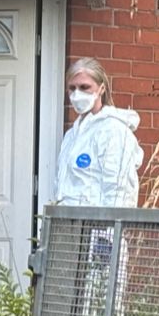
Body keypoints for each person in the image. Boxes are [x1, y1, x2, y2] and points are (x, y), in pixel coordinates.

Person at [55, 57, 143, 207]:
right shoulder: (71, 135)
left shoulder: (113, 131)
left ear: (101, 89)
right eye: (72, 88)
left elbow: (119, 193)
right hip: (66, 226)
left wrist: (108, 230)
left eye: (84, 87)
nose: (77, 94)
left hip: (95, 227)